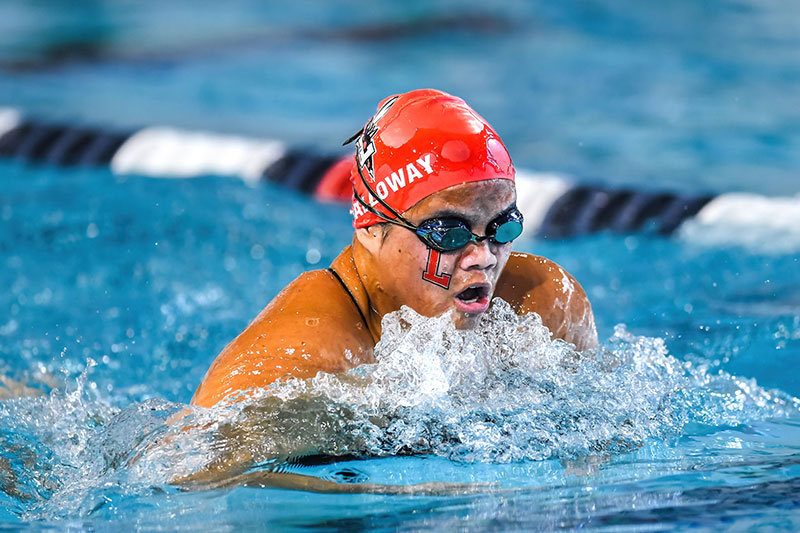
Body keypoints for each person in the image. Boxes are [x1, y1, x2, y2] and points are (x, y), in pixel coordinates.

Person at [192, 89, 597, 408]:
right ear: (372, 227)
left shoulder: (544, 306)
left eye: (501, 228)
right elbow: (186, 479)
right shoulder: (301, 361)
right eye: (448, 233)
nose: (485, 257)